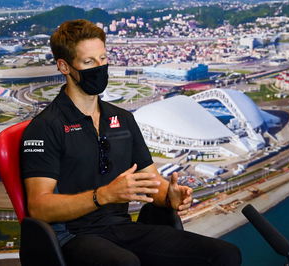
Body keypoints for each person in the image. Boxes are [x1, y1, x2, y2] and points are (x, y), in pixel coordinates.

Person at [21, 19, 241, 266]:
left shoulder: (122, 119)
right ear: (64, 66)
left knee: (226, 254)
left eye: (103, 59)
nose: (100, 67)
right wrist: (103, 195)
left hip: (122, 229)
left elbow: (152, 182)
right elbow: (39, 207)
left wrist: (169, 196)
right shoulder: (44, 127)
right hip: (75, 237)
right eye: (89, 62)